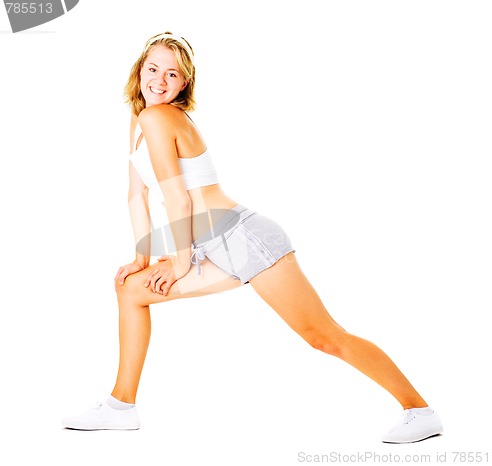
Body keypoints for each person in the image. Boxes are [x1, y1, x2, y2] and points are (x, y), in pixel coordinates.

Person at [62, 31, 443, 443]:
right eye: (152, 69)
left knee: (323, 336)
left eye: (171, 74)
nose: (159, 80)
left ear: (184, 82)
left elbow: (178, 200)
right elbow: (137, 195)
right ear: (139, 70)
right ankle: (121, 406)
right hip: (206, 242)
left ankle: (419, 410)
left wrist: (177, 262)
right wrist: (141, 259)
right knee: (131, 288)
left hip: (243, 239)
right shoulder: (141, 117)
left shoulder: (160, 117)